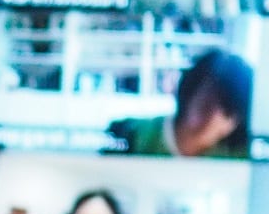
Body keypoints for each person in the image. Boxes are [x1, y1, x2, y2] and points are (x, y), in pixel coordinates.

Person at [108, 49, 252, 158]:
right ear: (189, 91)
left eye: (226, 111)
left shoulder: (239, 158)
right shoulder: (132, 135)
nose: (212, 116)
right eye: (207, 102)